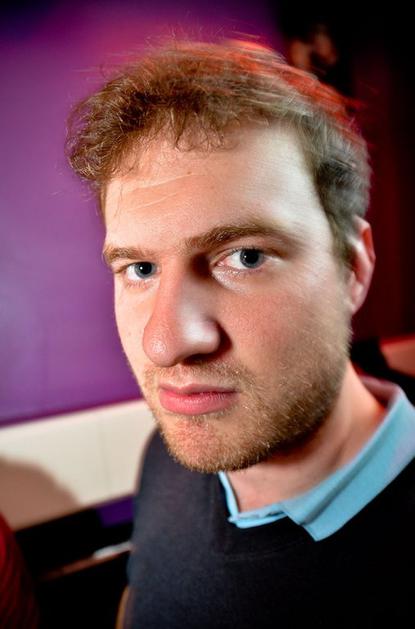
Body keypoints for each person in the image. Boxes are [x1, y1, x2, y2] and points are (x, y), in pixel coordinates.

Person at [66, 39, 415, 627]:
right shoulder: (171, 453)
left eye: (246, 257)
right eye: (140, 269)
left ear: (352, 268)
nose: (164, 344)